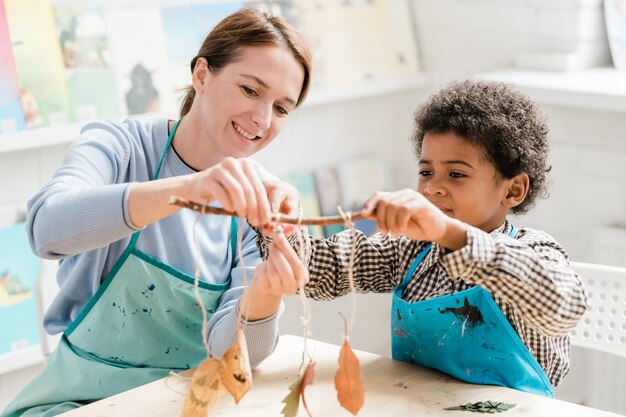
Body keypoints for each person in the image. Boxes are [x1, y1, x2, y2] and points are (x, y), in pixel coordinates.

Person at [2, 7, 311, 417]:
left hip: (190, 402)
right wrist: (184, 188)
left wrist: (268, 288)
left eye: (282, 108)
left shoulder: (263, 203)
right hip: (80, 400)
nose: (262, 119)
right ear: (202, 75)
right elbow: (46, 229)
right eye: (251, 91)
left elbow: (234, 355)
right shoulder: (121, 145)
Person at [259, 80, 588, 398]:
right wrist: (276, 223)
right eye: (426, 172)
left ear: (512, 190)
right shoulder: (411, 250)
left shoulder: (532, 250)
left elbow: (565, 305)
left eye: (456, 174)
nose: (432, 188)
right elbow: (323, 270)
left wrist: (447, 232)